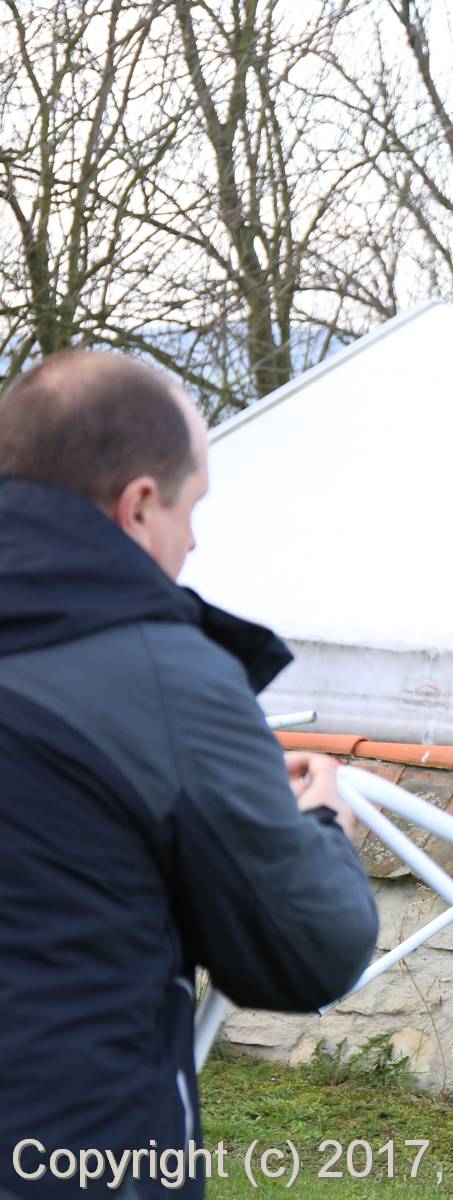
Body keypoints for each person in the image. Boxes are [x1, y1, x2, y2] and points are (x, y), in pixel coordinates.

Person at [0, 352, 380, 1198]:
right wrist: (322, 823)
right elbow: (311, 948)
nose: (195, 538)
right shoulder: (164, 674)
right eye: (192, 506)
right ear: (139, 505)